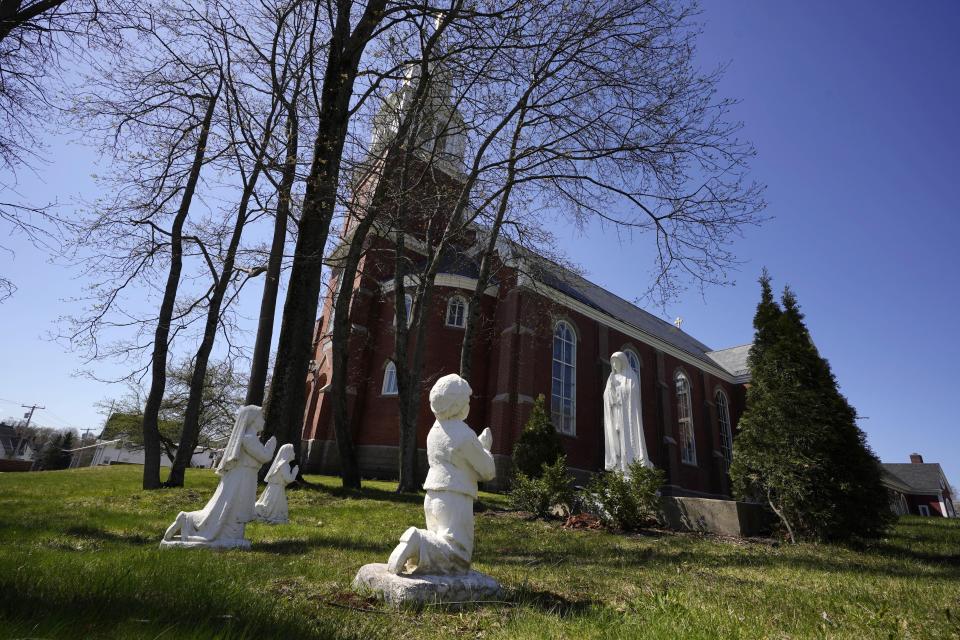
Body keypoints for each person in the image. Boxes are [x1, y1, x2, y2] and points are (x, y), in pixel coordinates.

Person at [386, 374, 496, 575]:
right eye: (467, 400)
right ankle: (418, 541)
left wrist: (476, 447)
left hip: (433, 496)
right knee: (459, 555)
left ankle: (418, 549)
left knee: (441, 543)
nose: (469, 404)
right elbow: (487, 471)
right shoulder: (464, 434)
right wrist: (485, 448)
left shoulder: (435, 431)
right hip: (455, 497)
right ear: (459, 404)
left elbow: (456, 460)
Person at [161, 405, 276, 548]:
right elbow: (264, 457)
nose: (263, 420)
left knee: (236, 508)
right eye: (261, 417)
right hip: (240, 478)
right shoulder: (248, 438)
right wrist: (271, 446)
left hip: (247, 477)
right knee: (231, 506)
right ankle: (188, 519)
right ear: (252, 420)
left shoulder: (252, 438)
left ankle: (232, 536)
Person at [603, 351, 652, 474]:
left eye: (616, 362)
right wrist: (611, 393)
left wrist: (620, 393)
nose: (614, 365)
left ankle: (630, 467)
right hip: (616, 414)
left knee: (628, 438)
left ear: (622, 362)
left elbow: (633, 394)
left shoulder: (631, 376)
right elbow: (606, 395)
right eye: (612, 363)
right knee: (617, 440)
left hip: (628, 414)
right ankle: (620, 467)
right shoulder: (611, 377)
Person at [255, 443, 298, 524]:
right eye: (292, 451)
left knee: (273, 505)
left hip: (274, 488)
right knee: (272, 506)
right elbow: (288, 479)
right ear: (287, 453)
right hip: (276, 490)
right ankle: (268, 516)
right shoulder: (284, 465)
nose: (294, 453)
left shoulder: (282, 464)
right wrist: (294, 473)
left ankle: (273, 515)